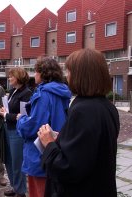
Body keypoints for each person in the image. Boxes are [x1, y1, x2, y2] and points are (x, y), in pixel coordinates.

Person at [38, 48, 120, 197]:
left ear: (80, 75)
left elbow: (69, 168)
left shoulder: (83, 110)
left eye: (69, 72)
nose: (67, 77)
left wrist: (49, 143)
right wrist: (62, 140)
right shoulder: (107, 106)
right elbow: (88, 150)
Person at [16, 57, 71, 197]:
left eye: (36, 71)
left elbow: (33, 126)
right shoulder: (62, 92)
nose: (34, 75)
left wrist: (20, 119)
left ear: (43, 73)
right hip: (56, 151)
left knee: (39, 192)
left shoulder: (44, 94)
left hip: (39, 155)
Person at [0, 67, 32, 197]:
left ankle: (21, 191)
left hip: (17, 132)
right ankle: (15, 186)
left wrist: (6, 115)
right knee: (8, 160)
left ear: (18, 77)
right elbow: (10, 109)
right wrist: (4, 111)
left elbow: (23, 116)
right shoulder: (12, 91)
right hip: (8, 129)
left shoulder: (26, 93)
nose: (9, 78)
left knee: (17, 162)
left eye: (11, 76)